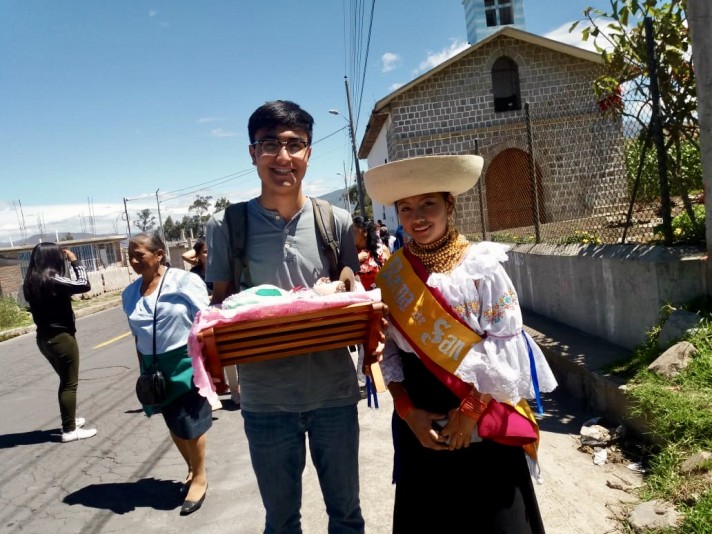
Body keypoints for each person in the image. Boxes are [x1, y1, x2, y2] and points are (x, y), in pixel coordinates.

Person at [364, 155, 558, 533]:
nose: (417, 217)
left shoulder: (482, 267)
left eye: (428, 205)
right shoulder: (392, 278)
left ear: (449, 205)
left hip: (482, 419)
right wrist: (407, 411)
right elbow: (387, 353)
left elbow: (506, 347)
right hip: (422, 425)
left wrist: (468, 412)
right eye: (406, 209)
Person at [206, 100, 366, 533]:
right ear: (252, 152)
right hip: (265, 402)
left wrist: (349, 285)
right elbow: (219, 303)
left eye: (295, 144)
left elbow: (348, 279)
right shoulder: (227, 226)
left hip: (334, 394)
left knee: (347, 517)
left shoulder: (335, 220)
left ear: (309, 153)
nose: (283, 156)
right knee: (280, 521)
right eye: (270, 144)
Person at [122, 233, 212, 516]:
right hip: (152, 367)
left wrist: (211, 364)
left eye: (140, 255)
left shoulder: (184, 282)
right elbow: (136, 335)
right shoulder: (129, 293)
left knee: (190, 422)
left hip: (184, 360)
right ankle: (190, 468)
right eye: (131, 255)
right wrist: (143, 371)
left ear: (159, 254)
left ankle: (199, 477)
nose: (134, 261)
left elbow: (206, 320)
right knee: (173, 420)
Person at [22, 243, 98, 443]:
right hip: (61, 338)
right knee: (69, 384)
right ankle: (69, 430)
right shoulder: (53, 279)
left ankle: (70, 420)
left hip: (44, 339)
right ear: (52, 259)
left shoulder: (31, 281)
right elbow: (84, 284)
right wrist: (75, 261)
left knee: (65, 382)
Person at [352, 216, 390, 290]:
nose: (351, 235)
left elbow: (392, 274)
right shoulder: (350, 253)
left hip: (382, 297)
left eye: (354, 231)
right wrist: (356, 259)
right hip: (361, 299)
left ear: (365, 232)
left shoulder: (381, 250)